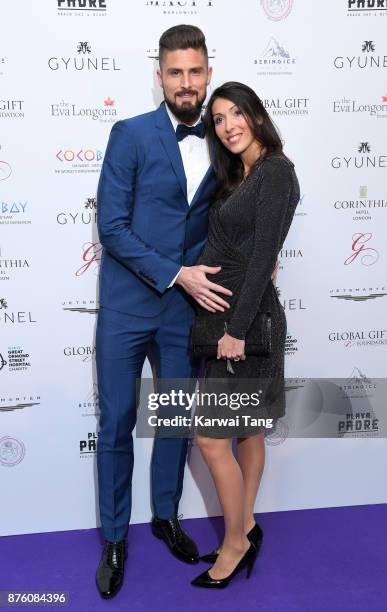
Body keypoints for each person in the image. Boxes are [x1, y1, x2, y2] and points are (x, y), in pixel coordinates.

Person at [94, 24, 238, 599]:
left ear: (208, 72)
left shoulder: (222, 140)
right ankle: (113, 537)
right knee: (117, 421)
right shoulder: (128, 134)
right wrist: (175, 272)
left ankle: (165, 517)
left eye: (195, 72)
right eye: (174, 72)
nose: (186, 83)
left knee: (174, 423)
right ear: (160, 75)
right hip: (129, 307)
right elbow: (112, 227)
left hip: (184, 314)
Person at [190, 82, 300, 589]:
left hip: (246, 323)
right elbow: (256, 248)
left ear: (256, 116)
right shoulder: (239, 175)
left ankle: (234, 544)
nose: (229, 125)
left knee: (211, 439)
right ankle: (248, 525)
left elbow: (261, 259)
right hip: (229, 317)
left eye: (238, 113)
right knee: (249, 430)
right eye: (218, 118)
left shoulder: (276, 171)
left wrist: (236, 330)